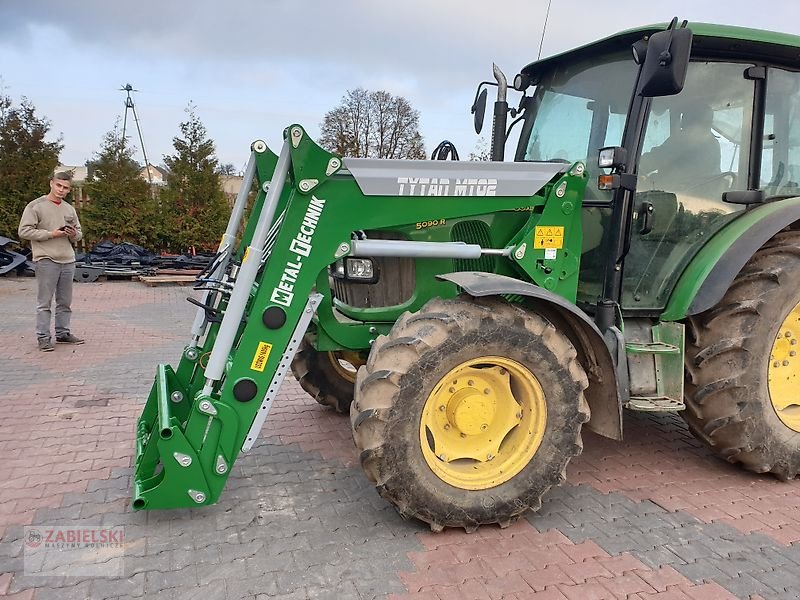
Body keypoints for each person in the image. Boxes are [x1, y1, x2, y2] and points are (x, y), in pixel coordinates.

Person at [18, 171, 85, 351]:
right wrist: (51, 234)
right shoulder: (35, 206)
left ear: (69, 190)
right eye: (59, 186)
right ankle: (43, 337)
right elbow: (24, 231)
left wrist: (73, 234)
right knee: (44, 302)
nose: (61, 190)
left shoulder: (69, 209)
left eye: (65, 188)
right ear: (51, 184)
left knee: (65, 302)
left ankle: (63, 333)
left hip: (68, 260)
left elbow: (79, 234)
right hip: (46, 259)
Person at [639, 104, 721, 194]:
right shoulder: (713, 143)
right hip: (702, 196)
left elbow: (653, 160)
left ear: (687, 121)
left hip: (677, 195)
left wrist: (634, 166)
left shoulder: (685, 139)